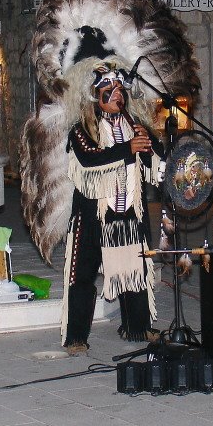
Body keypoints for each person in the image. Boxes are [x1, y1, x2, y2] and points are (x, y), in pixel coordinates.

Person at [62, 59, 164, 356]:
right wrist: (127, 149)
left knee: (136, 271)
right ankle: (76, 337)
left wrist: (152, 148)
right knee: (82, 276)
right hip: (93, 216)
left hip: (130, 212)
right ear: (95, 94)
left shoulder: (135, 125)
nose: (117, 93)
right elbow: (90, 160)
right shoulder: (81, 129)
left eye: (120, 87)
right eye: (109, 87)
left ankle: (137, 325)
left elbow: (151, 162)